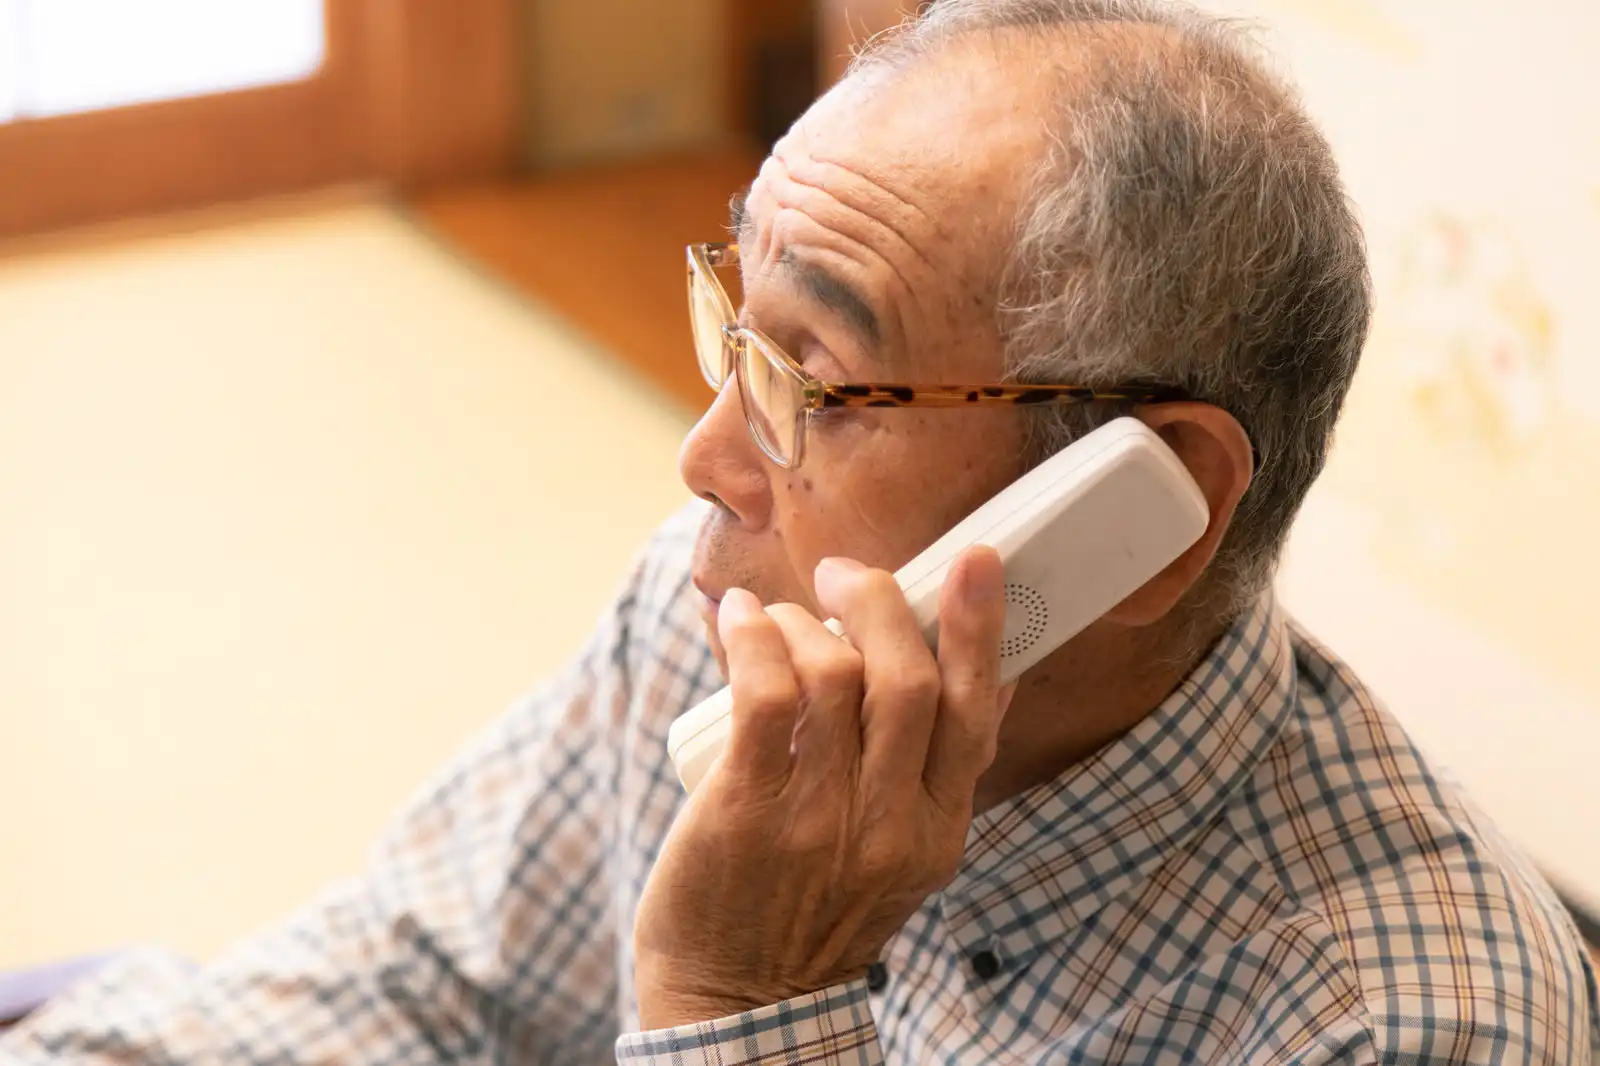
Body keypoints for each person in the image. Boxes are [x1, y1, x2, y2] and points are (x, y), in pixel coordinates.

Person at [5, 0, 1598, 1062]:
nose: (708, 460)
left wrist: (744, 999)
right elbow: (437, 969)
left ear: (1145, 509)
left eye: (817, 384)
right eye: (734, 334)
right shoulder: (738, 609)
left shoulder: (1409, 1018)